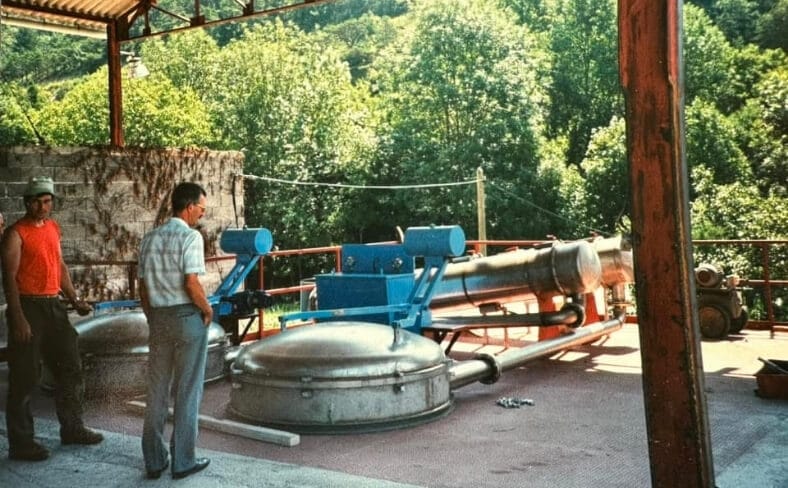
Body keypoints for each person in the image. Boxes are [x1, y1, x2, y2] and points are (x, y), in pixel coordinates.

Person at [2, 176, 103, 462]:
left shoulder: (52, 228)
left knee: (70, 366)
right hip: (28, 306)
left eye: (48, 201)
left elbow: (59, 267)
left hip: (53, 306)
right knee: (25, 375)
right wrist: (19, 317)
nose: (44, 206)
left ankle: (72, 428)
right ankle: (21, 444)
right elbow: (8, 278)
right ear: (27, 202)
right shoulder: (15, 233)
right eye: (39, 201)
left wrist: (74, 299)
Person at [138, 182, 213, 480]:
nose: (201, 215)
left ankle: (154, 460)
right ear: (189, 206)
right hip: (186, 317)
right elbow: (191, 282)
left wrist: (152, 316)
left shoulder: (150, 239)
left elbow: (142, 287)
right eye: (201, 209)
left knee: (156, 391)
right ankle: (183, 461)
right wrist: (207, 310)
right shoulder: (190, 237)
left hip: (158, 317)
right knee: (188, 390)